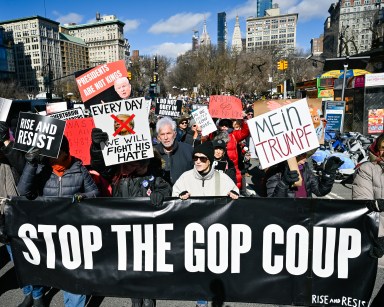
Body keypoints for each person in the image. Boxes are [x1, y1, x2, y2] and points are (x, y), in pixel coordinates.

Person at [90, 128, 171, 307]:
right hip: (124, 231)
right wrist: (97, 147)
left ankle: (149, 298)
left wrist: (160, 194)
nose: (141, 166)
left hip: (148, 232)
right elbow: (99, 166)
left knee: (147, 267)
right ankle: (135, 299)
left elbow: (166, 189)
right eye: (137, 163)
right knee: (130, 268)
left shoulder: (153, 176)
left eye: (144, 163)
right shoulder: (117, 175)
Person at [17, 135, 100, 307]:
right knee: (48, 270)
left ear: (65, 152)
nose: (51, 156)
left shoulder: (78, 168)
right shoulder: (41, 168)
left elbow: (94, 192)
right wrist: (31, 164)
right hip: (47, 231)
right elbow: (23, 193)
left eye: (56, 152)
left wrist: (82, 196)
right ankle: (38, 294)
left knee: (73, 275)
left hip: (72, 232)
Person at [172, 141, 239, 200]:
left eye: (202, 159)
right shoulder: (185, 177)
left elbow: (235, 192)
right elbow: (174, 197)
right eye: (195, 158)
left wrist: (233, 194)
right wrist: (180, 196)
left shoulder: (223, 178)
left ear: (210, 161)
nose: (198, 162)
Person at [265, 153, 343, 198]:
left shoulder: (304, 169)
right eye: (302, 155)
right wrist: (284, 183)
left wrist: (328, 173)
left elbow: (319, 191)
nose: (305, 159)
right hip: (287, 218)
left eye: (306, 154)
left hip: (305, 216)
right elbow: (273, 203)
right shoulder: (276, 171)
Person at [154, 116, 194, 185]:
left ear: (175, 134)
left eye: (168, 133)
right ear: (158, 137)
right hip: (161, 194)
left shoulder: (188, 150)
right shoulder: (153, 153)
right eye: (162, 134)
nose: (166, 137)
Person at [217, 118, 250, 190]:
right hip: (218, 167)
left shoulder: (234, 135)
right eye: (222, 125)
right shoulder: (216, 135)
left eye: (226, 125)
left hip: (232, 167)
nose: (224, 127)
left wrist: (243, 120)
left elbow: (245, 132)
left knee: (233, 188)